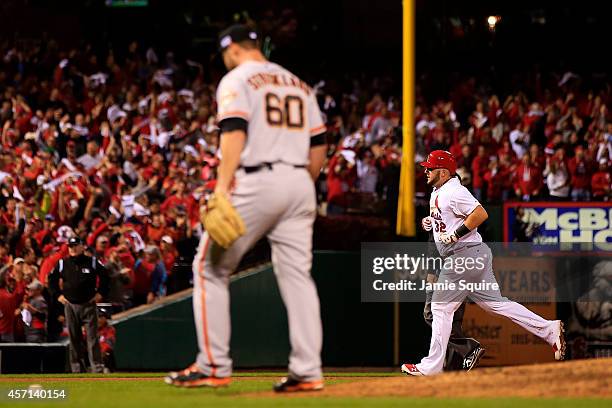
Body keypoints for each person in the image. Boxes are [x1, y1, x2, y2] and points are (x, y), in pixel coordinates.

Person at [165, 24, 327, 392]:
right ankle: (308, 369)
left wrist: (222, 188)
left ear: (232, 50)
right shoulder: (299, 85)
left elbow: (234, 130)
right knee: (298, 277)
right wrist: (301, 183)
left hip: (259, 179)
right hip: (300, 182)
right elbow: (319, 144)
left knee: (208, 268)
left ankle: (212, 365)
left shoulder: (237, 78)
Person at [401, 150, 565, 376]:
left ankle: (431, 367)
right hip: (473, 254)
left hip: (463, 255)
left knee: (439, 307)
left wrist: (456, 234)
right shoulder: (438, 191)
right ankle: (548, 329)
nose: (426, 171)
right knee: (496, 305)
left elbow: (480, 213)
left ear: (443, 171)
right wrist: (432, 221)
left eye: (429, 168)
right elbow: (448, 217)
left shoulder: (454, 191)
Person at [48, 237, 109, 373]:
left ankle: (97, 368)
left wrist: (100, 293)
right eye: (70, 246)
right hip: (70, 305)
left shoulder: (92, 262)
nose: (72, 248)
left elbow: (105, 276)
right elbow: (51, 280)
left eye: (75, 245)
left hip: (88, 304)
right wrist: (58, 296)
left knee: (92, 338)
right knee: (74, 338)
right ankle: (77, 369)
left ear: (83, 246)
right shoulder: (63, 263)